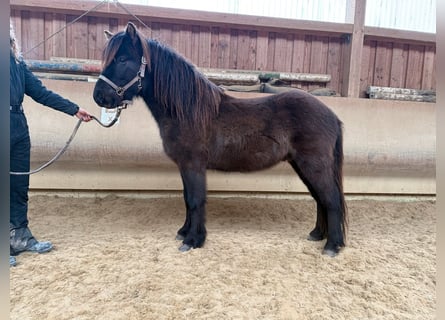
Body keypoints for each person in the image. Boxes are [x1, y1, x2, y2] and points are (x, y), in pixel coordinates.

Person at [10, 21, 93, 267]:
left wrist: (74, 109)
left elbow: (40, 92)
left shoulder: (16, 62)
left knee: (18, 186)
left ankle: (20, 237)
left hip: (17, 126)